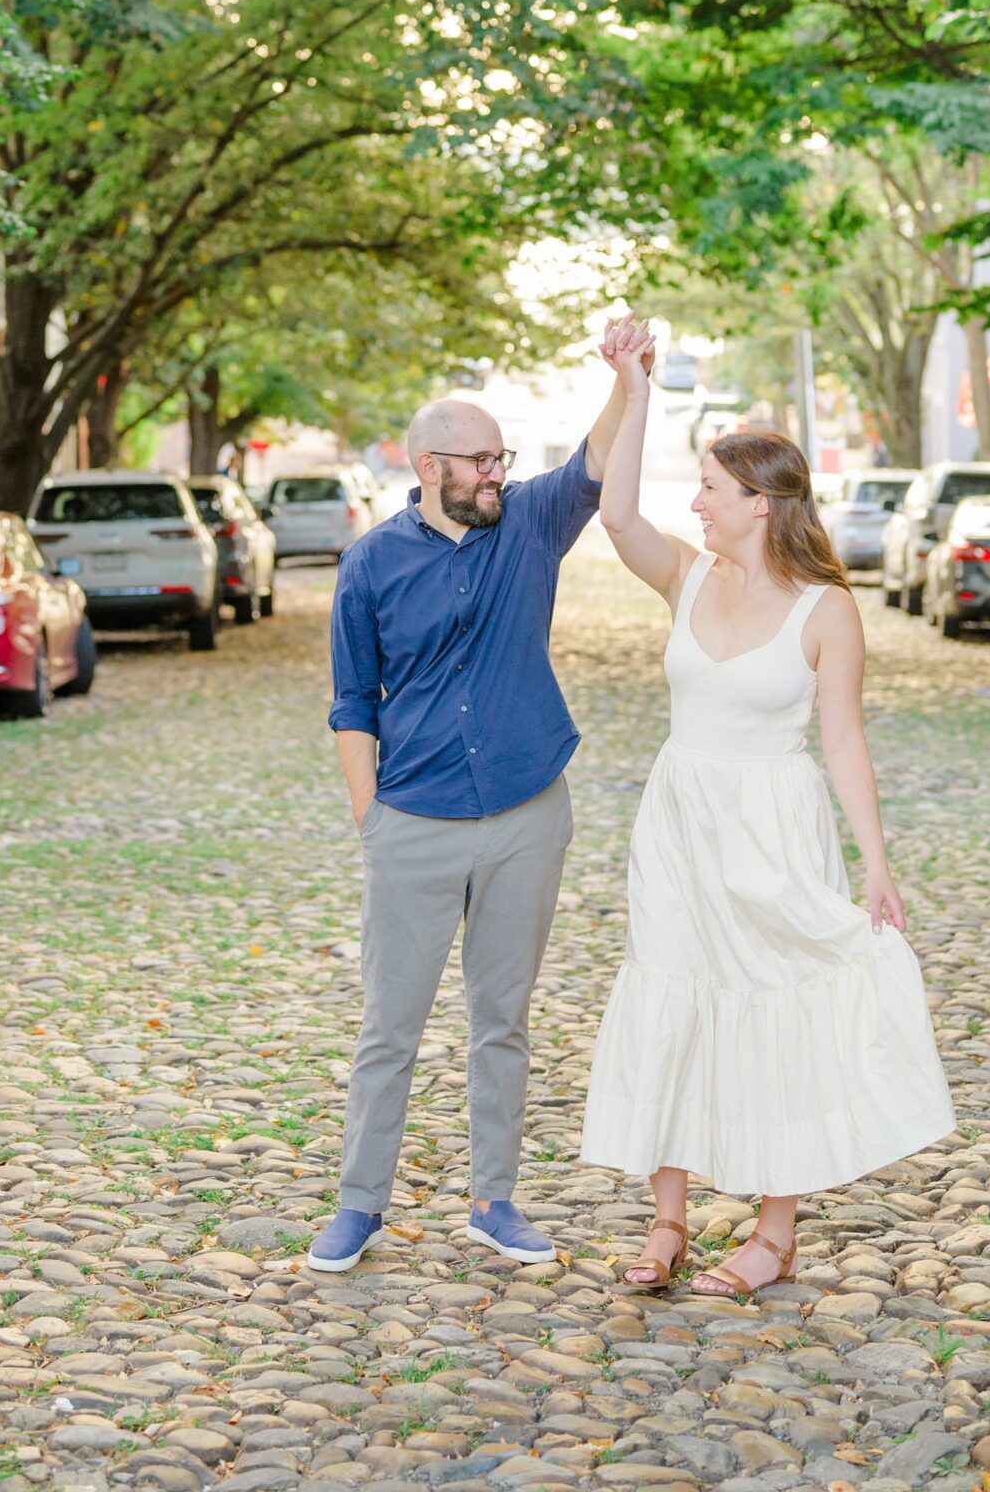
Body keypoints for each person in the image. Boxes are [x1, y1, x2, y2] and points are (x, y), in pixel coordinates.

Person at [581, 315, 952, 1299]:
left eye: (709, 488)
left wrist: (874, 861)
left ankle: (774, 1231)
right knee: (672, 990)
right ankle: (665, 1221)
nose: (694, 502)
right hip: (677, 819)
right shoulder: (685, 573)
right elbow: (615, 518)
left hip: (772, 827)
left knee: (772, 1008)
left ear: (757, 502)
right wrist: (636, 387)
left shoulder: (824, 608)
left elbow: (841, 741)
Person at [310, 375, 632, 1273]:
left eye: (502, 459)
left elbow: (593, 461)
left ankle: (494, 1201)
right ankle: (358, 1205)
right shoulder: (369, 563)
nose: (498, 474)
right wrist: (370, 818)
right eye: (481, 461)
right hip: (411, 819)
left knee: (502, 1018)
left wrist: (625, 380)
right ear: (429, 468)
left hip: (528, 811)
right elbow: (350, 701)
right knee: (390, 1027)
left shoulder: (527, 522)